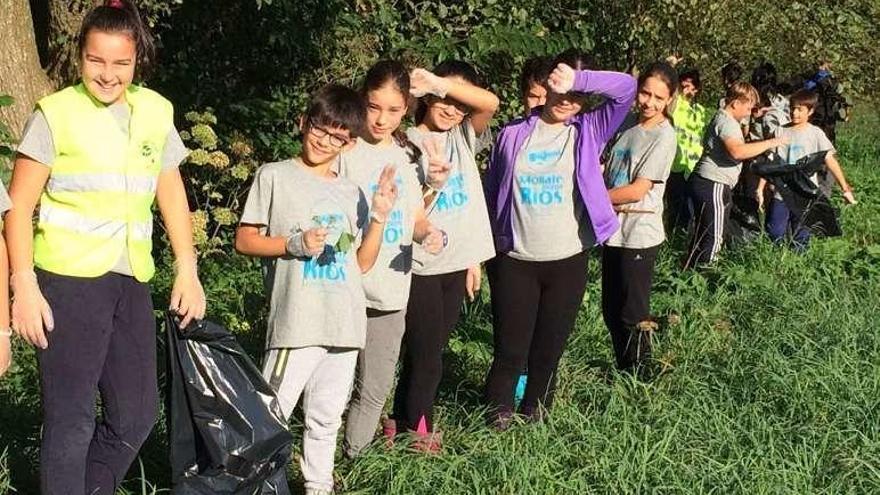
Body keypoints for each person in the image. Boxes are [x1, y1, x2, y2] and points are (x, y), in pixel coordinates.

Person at [6, 1, 206, 493]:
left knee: (136, 416)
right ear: (80, 56)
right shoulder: (55, 115)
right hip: (66, 282)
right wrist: (23, 286)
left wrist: (188, 267)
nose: (108, 74)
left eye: (121, 63)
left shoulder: (156, 111)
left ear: (137, 59)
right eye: (97, 60)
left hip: (130, 279)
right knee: (71, 420)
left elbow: (171, 193)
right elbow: (16, 207)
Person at [235, 84, 397, 493]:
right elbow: (245, 240)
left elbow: (360, 263)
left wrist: (378, 217)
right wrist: (294, 244)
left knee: (326, 418)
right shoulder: (273, 175)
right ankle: (254, 486)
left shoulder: (351, 191)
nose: (325, 142)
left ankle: (318, 486)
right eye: (320, 130)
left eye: (337, 137)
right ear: (303, 123)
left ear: (349, 143)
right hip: (297, 322)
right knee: (270, 415)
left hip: (344, 323)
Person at [483, 49, 636, 428]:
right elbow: (493, 195)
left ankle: (535, 416)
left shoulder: (588, 132)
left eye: (577, 95)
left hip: (567, 261)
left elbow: (626, 89)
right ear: (545, 86)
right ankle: (496, 419)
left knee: (548, 350)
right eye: (560, 89)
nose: (568, 101)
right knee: (509, 350)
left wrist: (579, 80)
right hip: (515, 260)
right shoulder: (511, 136)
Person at [339, 60, 448, 458]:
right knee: (332, 389)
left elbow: (416, 219)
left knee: (374, 389)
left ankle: (355, 464)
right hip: (344, 287)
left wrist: (429, 230)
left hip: (390, 291)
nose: (382, 119)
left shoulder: (407, 156)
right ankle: (316, 468)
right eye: (373, 106)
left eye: (393, 110)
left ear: (406, 109)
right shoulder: (344, 150)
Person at [390, 60, 498, 450]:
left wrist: (474, 259)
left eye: (459, 102)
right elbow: (406, 209)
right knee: (426, 351)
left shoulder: (464, 136)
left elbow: (490, 102)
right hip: (421, 265)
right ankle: (420, 430)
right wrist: (431, 182)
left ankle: (399, 420)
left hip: (456, 263)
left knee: (430, 347)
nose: (452, 109)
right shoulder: (404, 141)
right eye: (443, 99)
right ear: (425, 96)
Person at [602, 62, 678, 372]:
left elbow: (637, 190)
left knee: (632, 311)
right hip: (613, 229)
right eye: (645, 93)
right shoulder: (627, 124)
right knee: (610, 307)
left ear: (670, 100)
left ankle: (641, 373)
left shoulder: (663, 136)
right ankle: (624, 367)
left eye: (658, 98)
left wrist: (593, 198)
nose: (649, 102)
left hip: (639, 232)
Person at [684, 82, 787, 268]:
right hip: (714, 182)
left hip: (708, 181)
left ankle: (689, 270)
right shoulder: (727, 123)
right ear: (736, 103)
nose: (749, 113)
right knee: (714, 236)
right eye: (748, 108)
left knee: (702, 232)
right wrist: (770, 143)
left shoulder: (723, 119)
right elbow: (737, 152)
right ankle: (705, 275)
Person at [761, 89, 856, 249]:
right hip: (782, 192)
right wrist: (760, 188)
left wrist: (844, 187)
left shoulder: (815, 134)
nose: (795, 113)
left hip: (805, 193)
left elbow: (830, 160)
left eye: (800, 109)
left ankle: (796, 265)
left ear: (810, 111)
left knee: (801, 234)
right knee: (775, 230)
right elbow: (770, 161)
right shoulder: (780, 131)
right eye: (792, 108)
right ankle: (776, 260)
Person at [666, 68, 709, 232]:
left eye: (690, 87)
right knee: (676, 208)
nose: (686, 90)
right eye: (683, 86)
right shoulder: (675, 105)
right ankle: (674, 237)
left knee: (693, 207)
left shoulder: (700, 111)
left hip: (694, 165)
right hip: (675, 164)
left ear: (696, 89)